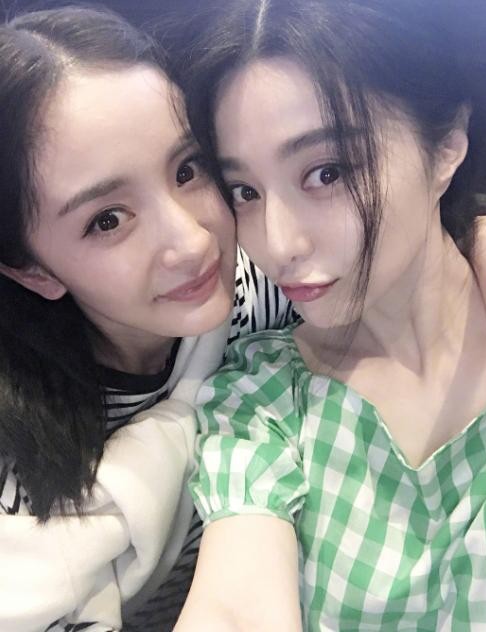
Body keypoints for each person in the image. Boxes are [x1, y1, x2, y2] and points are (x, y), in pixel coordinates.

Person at [171, 0, 486, 629]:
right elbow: (235, 606)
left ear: (445, 146)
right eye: (246, 191)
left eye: (326, 172)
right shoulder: (266, 399)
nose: (277, 243)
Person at [0, 6, 296, 631]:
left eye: (187, 170)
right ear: (33, 271)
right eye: (107, 220)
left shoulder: (252, 289)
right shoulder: (20, 464)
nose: (193, 242)